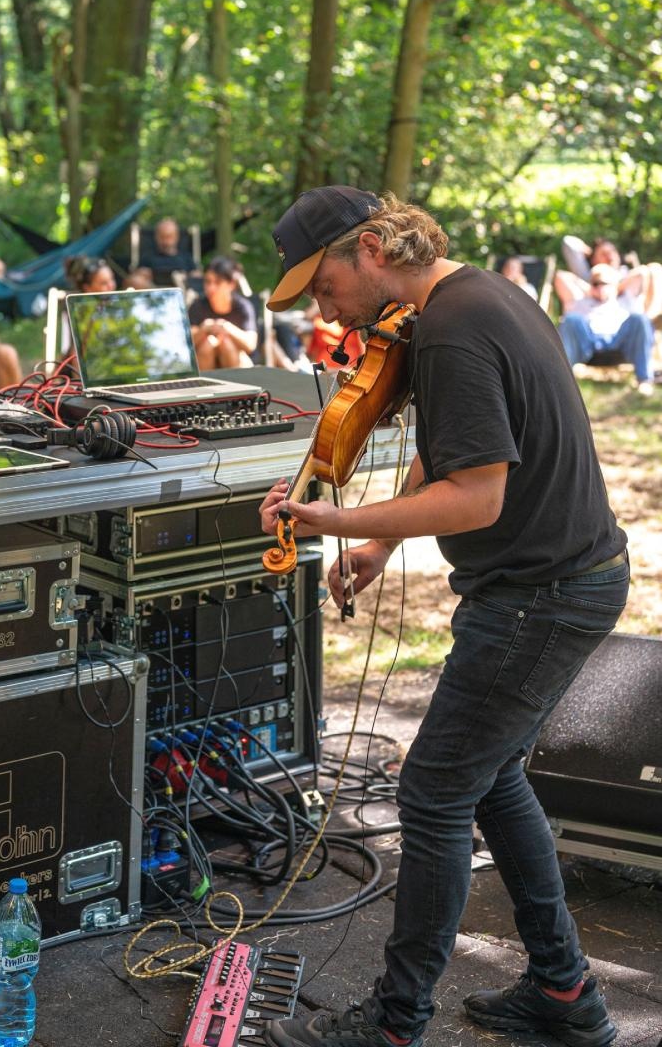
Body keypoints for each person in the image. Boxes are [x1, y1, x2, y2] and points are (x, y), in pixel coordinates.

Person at [259, 185, 629, 1047]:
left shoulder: (454, 327)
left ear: (373, 250)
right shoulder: (474, 297)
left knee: (430, 793)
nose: (325, 307)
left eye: (323, 285)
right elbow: (460, 438)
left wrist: (337, 521)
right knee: (487, 775)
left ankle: (393, 1026)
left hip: (541, 594)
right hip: (562, 581)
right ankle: (566, 997)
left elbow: (476, 498)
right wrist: (384, 545)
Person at [557, 263, 655, 396]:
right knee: (570, 319)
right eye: (596, 283)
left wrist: (616, 287)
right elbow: (560, 276)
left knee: (640, 319)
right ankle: (561, 381)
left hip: (620, 343)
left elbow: (643, 272)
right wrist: (588, 288)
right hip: (589, 345)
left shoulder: (626, 299)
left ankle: (644, 381)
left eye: (604, 283)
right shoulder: (580, 301)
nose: (600, 287)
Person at [556, 235, 662, 320]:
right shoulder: (587, 276)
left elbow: (644, 272)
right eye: (603, 253)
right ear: (593, 260)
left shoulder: (628, 274)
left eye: (612, 251)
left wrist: (613, 288)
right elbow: (568, 242)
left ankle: (648, 321)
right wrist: (590, 253)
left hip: (631, 319)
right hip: (593, 317)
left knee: (655, 268)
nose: (610, 256)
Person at [188, 255, 258, 368]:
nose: (211, 288)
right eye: (207, 282)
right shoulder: (197, 306)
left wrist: (226, 328)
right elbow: (187, 344)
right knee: (207, 344)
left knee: (226, 343)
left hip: (236, 363)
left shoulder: (243, 307)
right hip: (204, 362)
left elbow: (250, 345)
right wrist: (204, 329)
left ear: (231, 284)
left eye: (218, 282)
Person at [139, 216, 196, 285]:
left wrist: (189, 277)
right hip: (153, 291)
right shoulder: (147, 257)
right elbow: (134, 280)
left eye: (169, 236)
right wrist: (142, 275)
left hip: (182, 291)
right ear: (156, 237)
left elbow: (197, 277)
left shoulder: (186, 257)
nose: (166, 241)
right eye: (162, 237)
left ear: (176, 237)